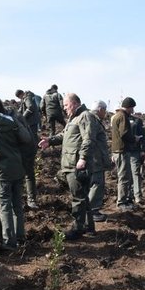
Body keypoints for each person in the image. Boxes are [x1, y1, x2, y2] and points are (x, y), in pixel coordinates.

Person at [39, 93, 99, 240]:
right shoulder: (74, 118)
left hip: (76, 164)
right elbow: (64, 135)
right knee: (83, 196)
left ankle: (77, 229)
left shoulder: (85, 116)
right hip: (72, 163)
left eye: (66, 105)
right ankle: (89, 227)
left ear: (74, 103)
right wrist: (50, 141)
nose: (64, 108)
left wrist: (83, 158)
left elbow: (88, 139)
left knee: (77, 197)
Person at [0, 96, 32, 250]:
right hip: (17, 168)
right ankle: (20, 237)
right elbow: (26, 138)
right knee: (17, 204)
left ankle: (9, 242)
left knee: (4, 206)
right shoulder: (12, 121)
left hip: (2, 171)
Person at [111, 97, 137, 210]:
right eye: (132, 108)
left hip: (117, 150)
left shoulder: (117, 116)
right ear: (129, 107)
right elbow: (124, 133)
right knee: (124, 177)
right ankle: (122, 202)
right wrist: (134, 139)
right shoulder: (123, 116)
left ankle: (124, 200)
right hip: (121, 150)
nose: (133, 111)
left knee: (123, 176)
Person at [15, 89, 40, 208]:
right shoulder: (24, 100)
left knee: (27, 174)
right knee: (27, 174)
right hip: (28, 148)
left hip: (27, 150)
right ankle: (29, 200)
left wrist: (22, 118)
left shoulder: (28, 98)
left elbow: (30, 109)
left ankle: (29, 200)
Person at [88, 100, 110, 222]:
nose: (105, 113)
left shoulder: (92, 119)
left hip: (94, 158)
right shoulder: (93, 121)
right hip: (95, 159)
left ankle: (91, 210)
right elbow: (90, 139)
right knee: (97, 184)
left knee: (94, 184)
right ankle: (92, 211)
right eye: (105, 110)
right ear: (100, 109)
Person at [126, 99, 145, 204]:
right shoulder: (120, 119)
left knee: (136, 173)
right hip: (124, 151)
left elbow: (143, 136)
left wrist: (144, 150)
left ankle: (137, 195)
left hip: (135, 150)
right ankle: (127, 195)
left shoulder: (137, 121)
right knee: (126, 174)